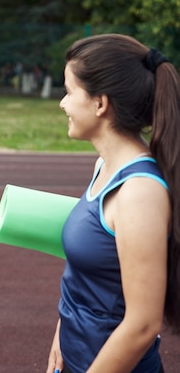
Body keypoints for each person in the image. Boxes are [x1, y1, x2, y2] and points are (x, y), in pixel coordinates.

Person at [46, 34, 180, 373]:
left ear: (100, 103)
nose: (62, 103)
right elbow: (85, 277)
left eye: (69, 91)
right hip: (77, 358)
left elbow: (142, 325)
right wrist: (62, 334)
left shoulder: (138, 193)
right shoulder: (104, 168)